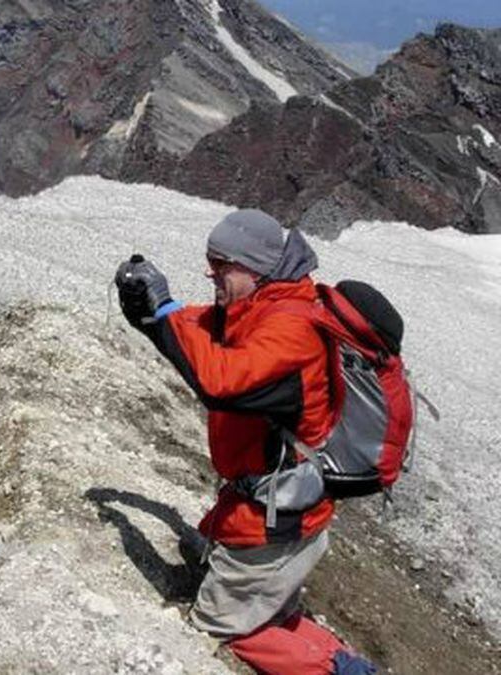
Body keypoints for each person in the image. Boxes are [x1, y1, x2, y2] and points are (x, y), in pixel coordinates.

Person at [112, 209, 377, 675]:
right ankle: (334, 656)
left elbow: (221, 381)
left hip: (274, 524)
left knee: (220, 628)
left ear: (253, 267)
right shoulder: (263, 306)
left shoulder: (291, 330)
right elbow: (198, 332)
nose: (209, 273)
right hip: (278, 510)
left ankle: (341, 672)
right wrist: (153, 315)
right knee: (269, 612)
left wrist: (167, 309)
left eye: (219, 264)